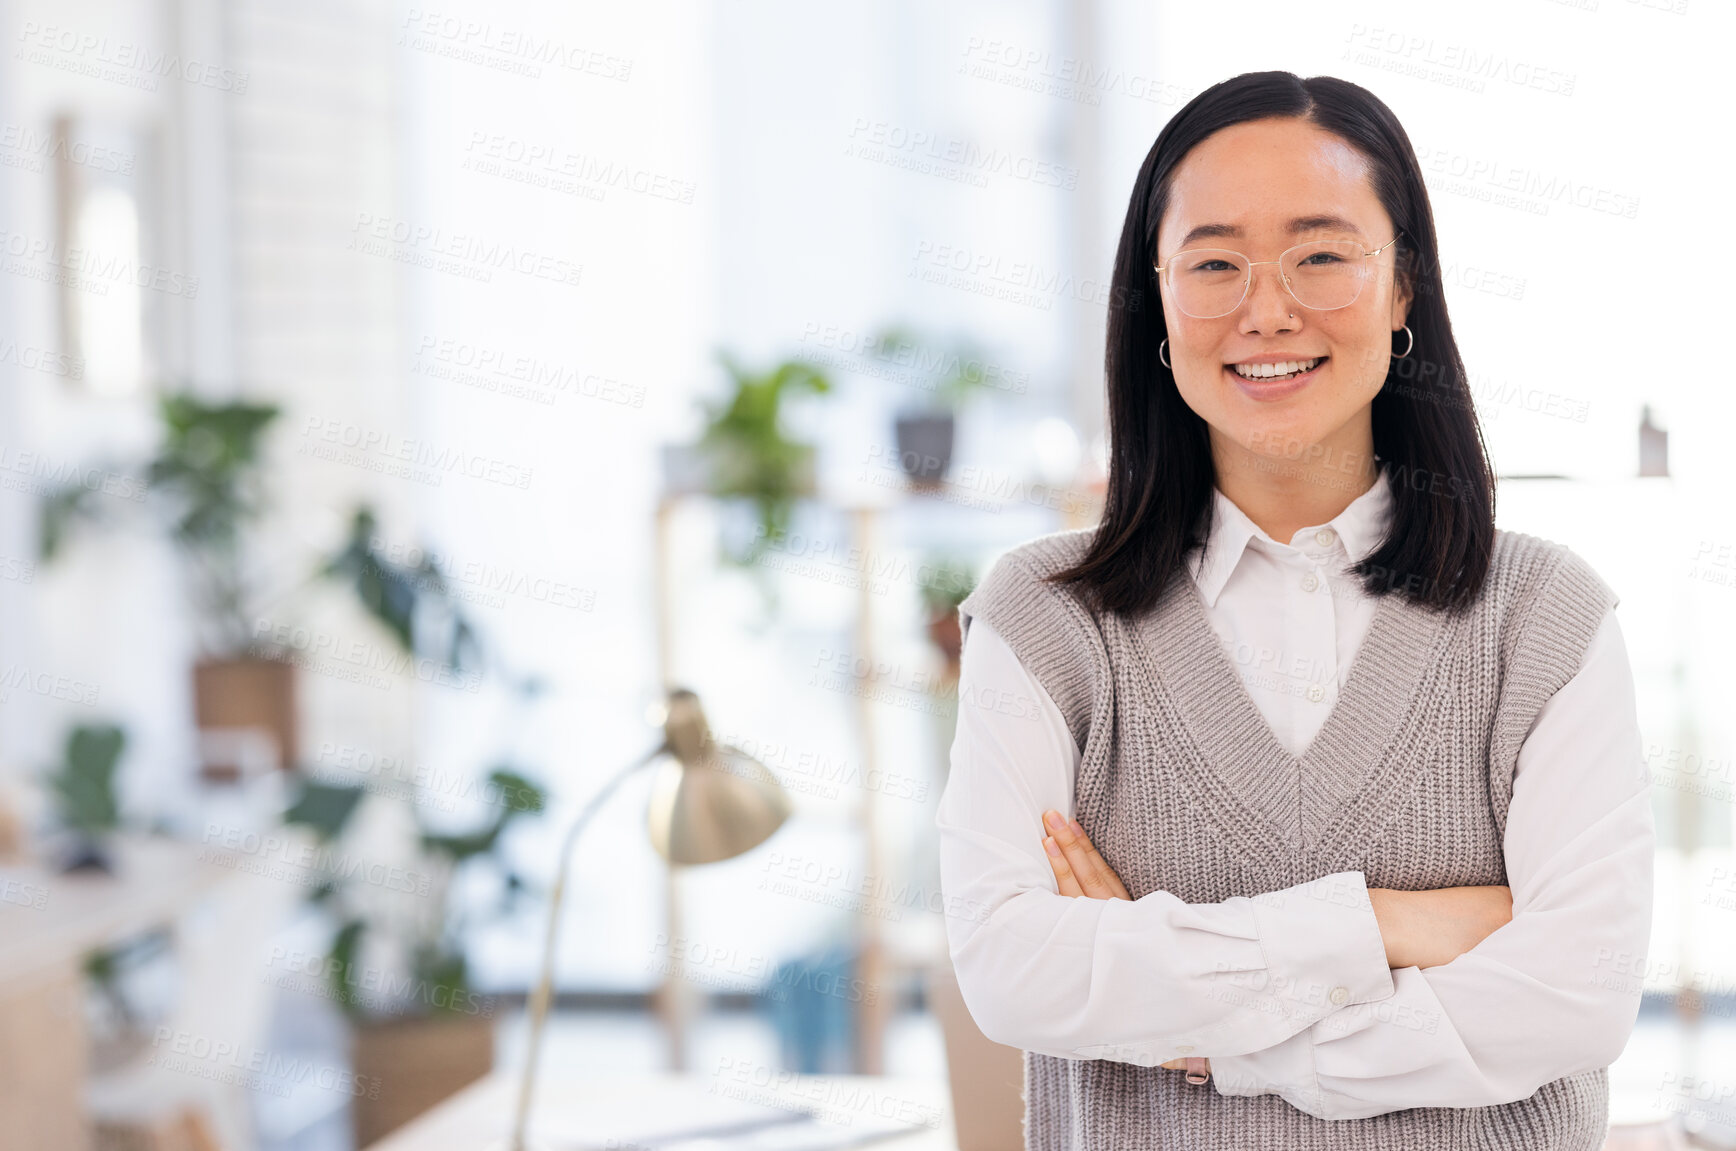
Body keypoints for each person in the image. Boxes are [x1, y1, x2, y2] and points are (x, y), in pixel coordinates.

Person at [934, 70, 1654, 1150]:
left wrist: (1213, 1033)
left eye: (1319, 254)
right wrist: (1386, 924)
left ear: (1404, 284)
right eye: (1213, 262)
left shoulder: (1542, 617)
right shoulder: (1045, 618)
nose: (1265, 310)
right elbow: (1011, 970)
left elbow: (1574, 994)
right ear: (1157, 301)